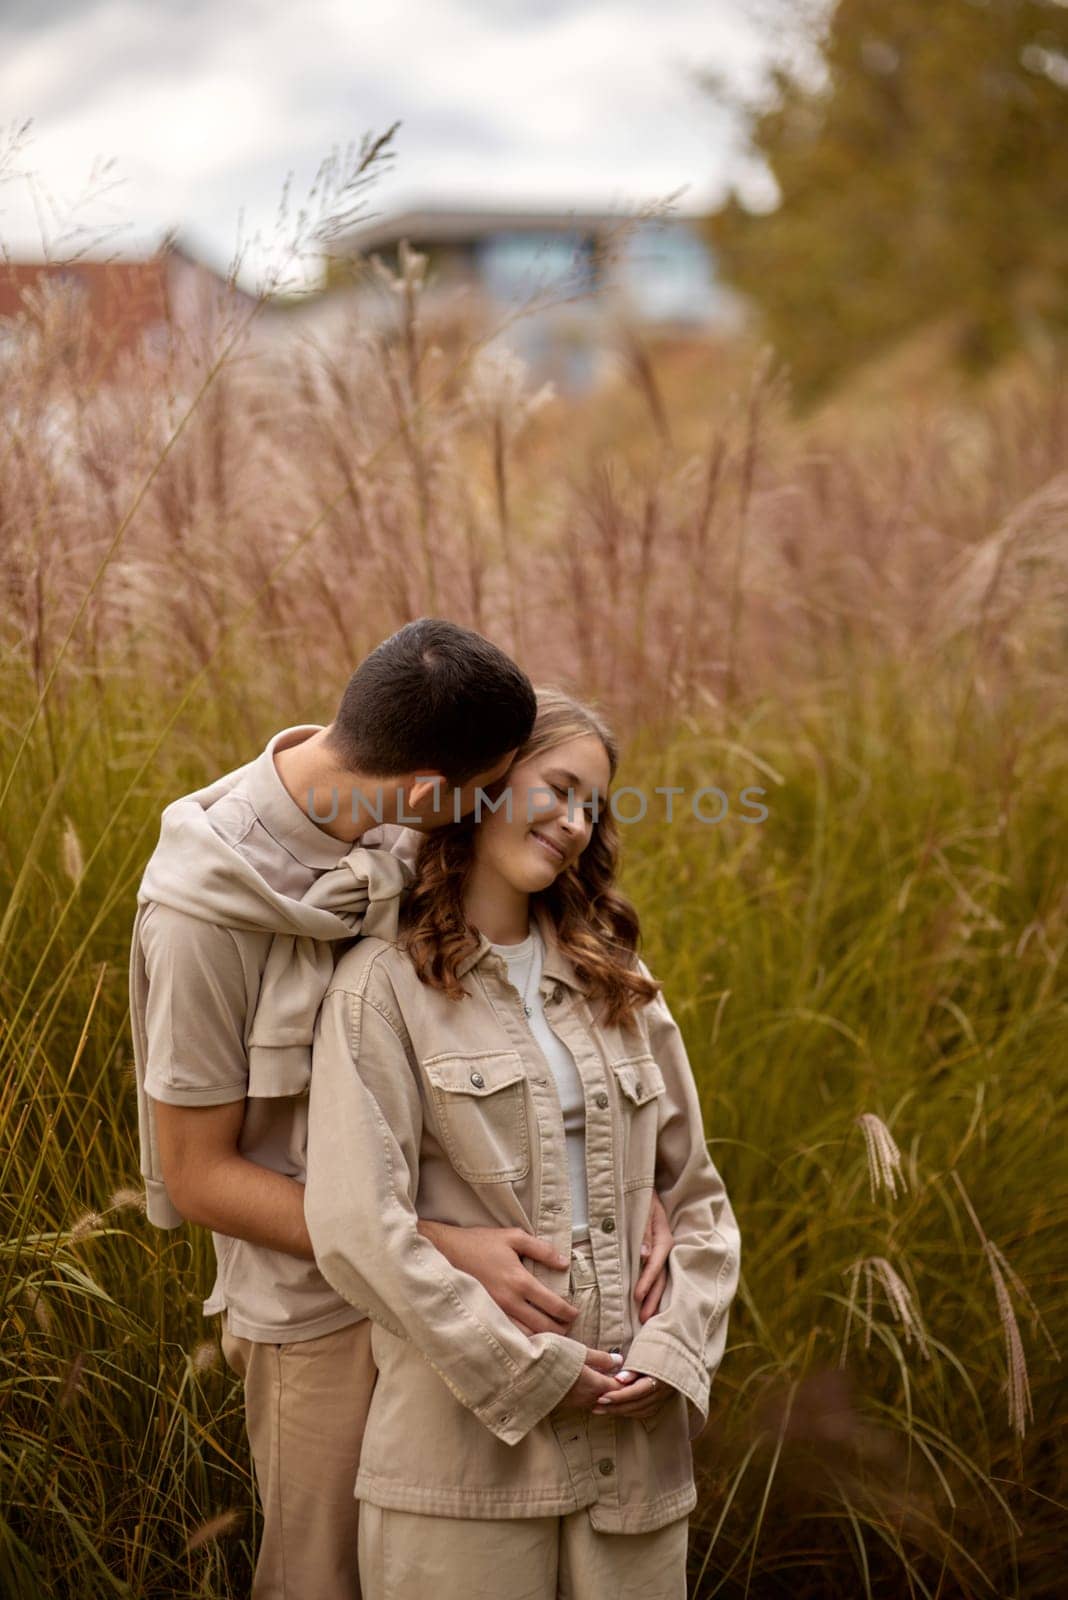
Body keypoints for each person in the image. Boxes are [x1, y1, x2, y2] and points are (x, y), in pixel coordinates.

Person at [129, 619, 675, 1600]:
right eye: (486, 793)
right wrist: (430, 1244)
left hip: (475, 1295)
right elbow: (195, 1172)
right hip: (319, 1311)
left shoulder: (392, 810)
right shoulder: (199, 919)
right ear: (432, 794)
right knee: (323, 1578)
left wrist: (634, 1183)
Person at [304, 687, 742, 1600]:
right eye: (560, 788)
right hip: (464, 1468)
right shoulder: (383, 988)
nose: (578, 822)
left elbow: (696, 1199)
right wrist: (528, 1373)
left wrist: (675, 1352)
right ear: (489, 784)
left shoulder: (621, 985)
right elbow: (356, 1224)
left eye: (595, 805)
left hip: (635, 1459)